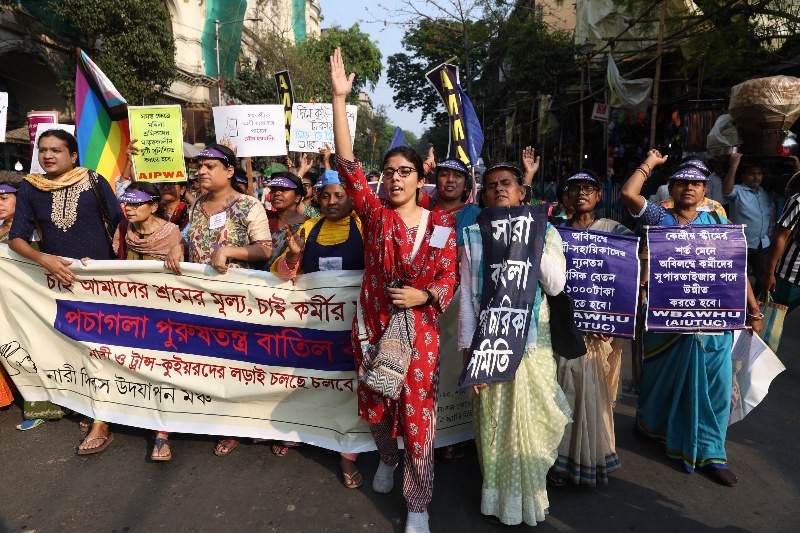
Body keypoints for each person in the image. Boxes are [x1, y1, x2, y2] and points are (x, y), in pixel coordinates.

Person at [331, 48, 459, 533]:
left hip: (420, 331)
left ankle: (419, 502)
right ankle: (386, 458)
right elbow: (346, 165)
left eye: (405, 171)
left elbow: (449, 275)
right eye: (388, 172)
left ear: (421, 179)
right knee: (376, 405)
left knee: (419, 413)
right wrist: (340, 101)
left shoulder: (441, 225)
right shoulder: (375, 213)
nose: (394, 178)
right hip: (373, 324)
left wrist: (426, 297)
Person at [620, 149, 763, 486]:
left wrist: (753, 309)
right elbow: (628, 193)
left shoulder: (718, 223)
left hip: (713, 323)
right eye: (682, 182)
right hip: (667, 321)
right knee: (661, 381)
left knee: (715, 385)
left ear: (704, 191)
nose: (688, 188)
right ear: (671, 188)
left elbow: (736, 269)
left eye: (696, 183)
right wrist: (650, 164)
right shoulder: (659, 217)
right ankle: (651, 427)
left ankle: (712, 452)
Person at [458, 162, 570, 526]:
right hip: (490, 347)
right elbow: (467, 302)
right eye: (491, 186)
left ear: (522, 192)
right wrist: (469, 356)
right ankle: (499, 501)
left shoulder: (546, 230)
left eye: (507, 183)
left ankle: (530, 501)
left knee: (532, 428)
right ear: (483, 197)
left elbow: (554, 285)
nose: (499, 189)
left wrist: (528, 238)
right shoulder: (474, 236)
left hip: (533, 344)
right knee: (494, 427)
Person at [9, 129, 124, 453]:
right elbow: (17, 237)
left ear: (73, 155)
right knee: (73, 345)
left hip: (102, 281)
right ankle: (91, 405)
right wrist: (42, 257)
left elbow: (120, 225)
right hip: (58, 282)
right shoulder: (30, 187)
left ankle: (103, 420)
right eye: (43, 150)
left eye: (56, 150)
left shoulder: (94, 181)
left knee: (104, 346)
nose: (48, 155)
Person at [164, 143, 272, 456]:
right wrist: (177, 247)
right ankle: (222, 420)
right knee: (212, 362)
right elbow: (189, 237)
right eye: (200, 166)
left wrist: (230, 251)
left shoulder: (248, 205)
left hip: (239, 302)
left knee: (241, 363)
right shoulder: (196, 204)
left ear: (229, 171)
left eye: (210, 166)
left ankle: (244, 423)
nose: (201, 171)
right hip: (202, 301)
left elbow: (265, 249)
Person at [271, 169, 365, 487]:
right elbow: (281, 274)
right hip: (314, 328)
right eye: (325, 195)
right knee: (311, 382)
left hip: (353, 328)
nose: (332, 201)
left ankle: (348, 453)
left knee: (350, 389)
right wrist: (294, 256)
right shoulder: (308, 228)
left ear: (352, 197)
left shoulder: (364, 227)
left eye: (339, 195)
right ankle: (305, 432)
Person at [549, 170, 629, 487]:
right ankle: (556, 457)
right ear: (565, 197)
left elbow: (629, 270)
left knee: (586, 392)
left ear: (598, 196)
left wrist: (613, 317)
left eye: (588, 189)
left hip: (597, 334)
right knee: (560, 390)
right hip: (560, 327)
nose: (581, 193)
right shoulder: (554, 233)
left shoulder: (616, 232)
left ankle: (583, 457)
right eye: (574, 189)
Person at [723, 153, 776, 284]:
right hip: (741, 244)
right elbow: (726, 191)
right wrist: (733, 166)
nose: (756, 177)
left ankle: (759, 303)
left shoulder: (766, 192)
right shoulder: (738, 190)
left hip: (762, 244)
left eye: (759, 174)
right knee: (738, 278)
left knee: (764, 278)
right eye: (752, 174)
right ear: (743, 176)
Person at [427, 159, 481, 252]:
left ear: (465, 185)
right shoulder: (426, 210)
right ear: (437, 181)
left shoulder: (475, 213)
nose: (450, 180)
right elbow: (436, 251)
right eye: (444, 174)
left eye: (457, 176)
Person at [264, 171, 308, 269]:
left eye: (283, 190)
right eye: (273, 190)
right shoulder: (263, 218)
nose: (277, 193)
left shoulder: (309, 224)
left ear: (297, 197)